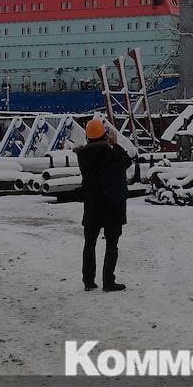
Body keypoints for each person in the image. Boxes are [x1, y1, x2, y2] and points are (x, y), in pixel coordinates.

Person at [75, 119, 133, 292]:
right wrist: (115, 144)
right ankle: (108, 281)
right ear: (104, 135)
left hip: (92, 205)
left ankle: (88, 281)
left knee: (89, 244)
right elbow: (127, 162)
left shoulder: (82, 156)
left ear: (88, 136)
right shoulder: (111, 154)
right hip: (112, 206)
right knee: (111, 244)